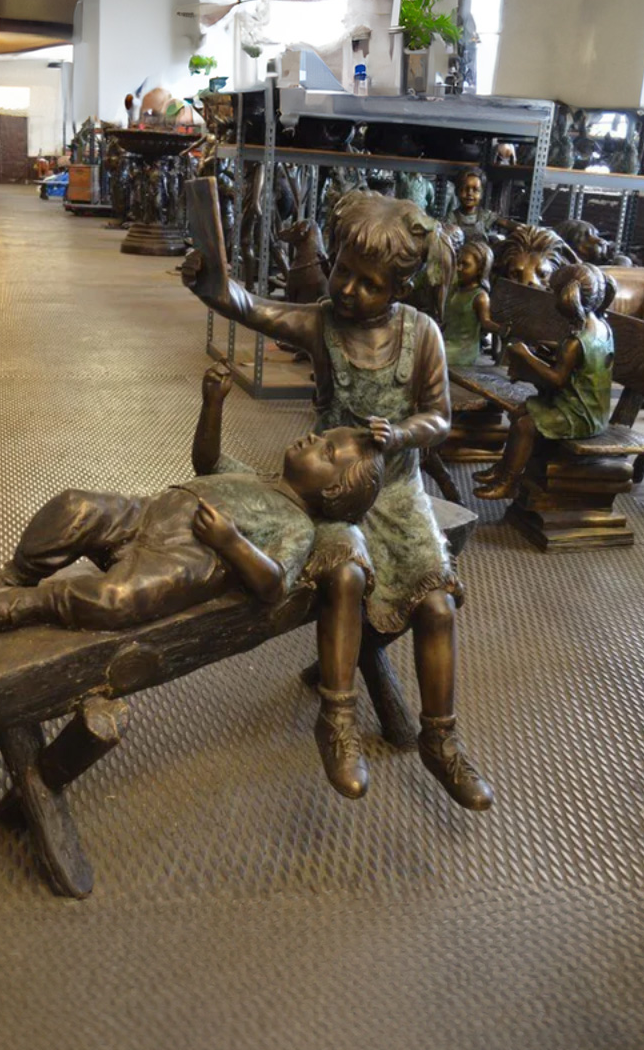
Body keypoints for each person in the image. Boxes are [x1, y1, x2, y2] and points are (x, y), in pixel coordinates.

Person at [181, 189, 493, 811]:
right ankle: (338, 719)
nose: (347, 290)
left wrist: (402, 434)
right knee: (344, 575)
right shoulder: (322, 323)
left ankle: (442, 739)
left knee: (436, 603)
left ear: (398, 289)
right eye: (343, 270)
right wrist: (210, 279)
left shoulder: (421, 334)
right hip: (331, 495)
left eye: (368, 284)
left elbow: (439, 418)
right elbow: (248, 305)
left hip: (398, 489)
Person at [0, 363, 384, 642]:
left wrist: (231, 543)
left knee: (119, 598)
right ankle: (15, 575)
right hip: (147, 511)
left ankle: (23, 606)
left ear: (332, 492)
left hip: (185, 555)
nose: (312, 438)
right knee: (74, 505)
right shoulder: (252, 475)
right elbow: (207, 459)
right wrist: (212, 403)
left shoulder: (297, 526)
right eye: (323, 437)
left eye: (325, 452)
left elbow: (272, 586)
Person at [474, 263, 615, 500]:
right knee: (521, 411)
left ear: (566, 297)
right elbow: (582, 363)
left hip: (581, 415)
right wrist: (551, 350)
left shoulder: (576, 341)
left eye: (554, 293)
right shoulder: (601, 326)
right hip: (590, 407)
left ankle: (510, 483)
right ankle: (503, 469)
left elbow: (557, 379)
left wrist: (526, 356)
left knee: (525, 425)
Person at [441, 239, 496, 368]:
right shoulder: (455, 290)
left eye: (465, 264)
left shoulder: (480, 297)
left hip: (463, 349)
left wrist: (501, 329)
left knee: (429, 354)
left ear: (479, 269)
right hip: (446, 341)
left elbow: (486, 323)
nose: (459, 268)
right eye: (458, 263)